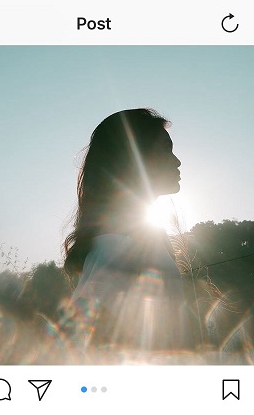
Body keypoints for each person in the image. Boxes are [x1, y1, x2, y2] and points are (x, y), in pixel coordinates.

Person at [63, 108, 189, 352]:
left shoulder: (134, 243)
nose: (177, 161)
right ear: (132, 159)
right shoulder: (118, 250)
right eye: (165, 149)